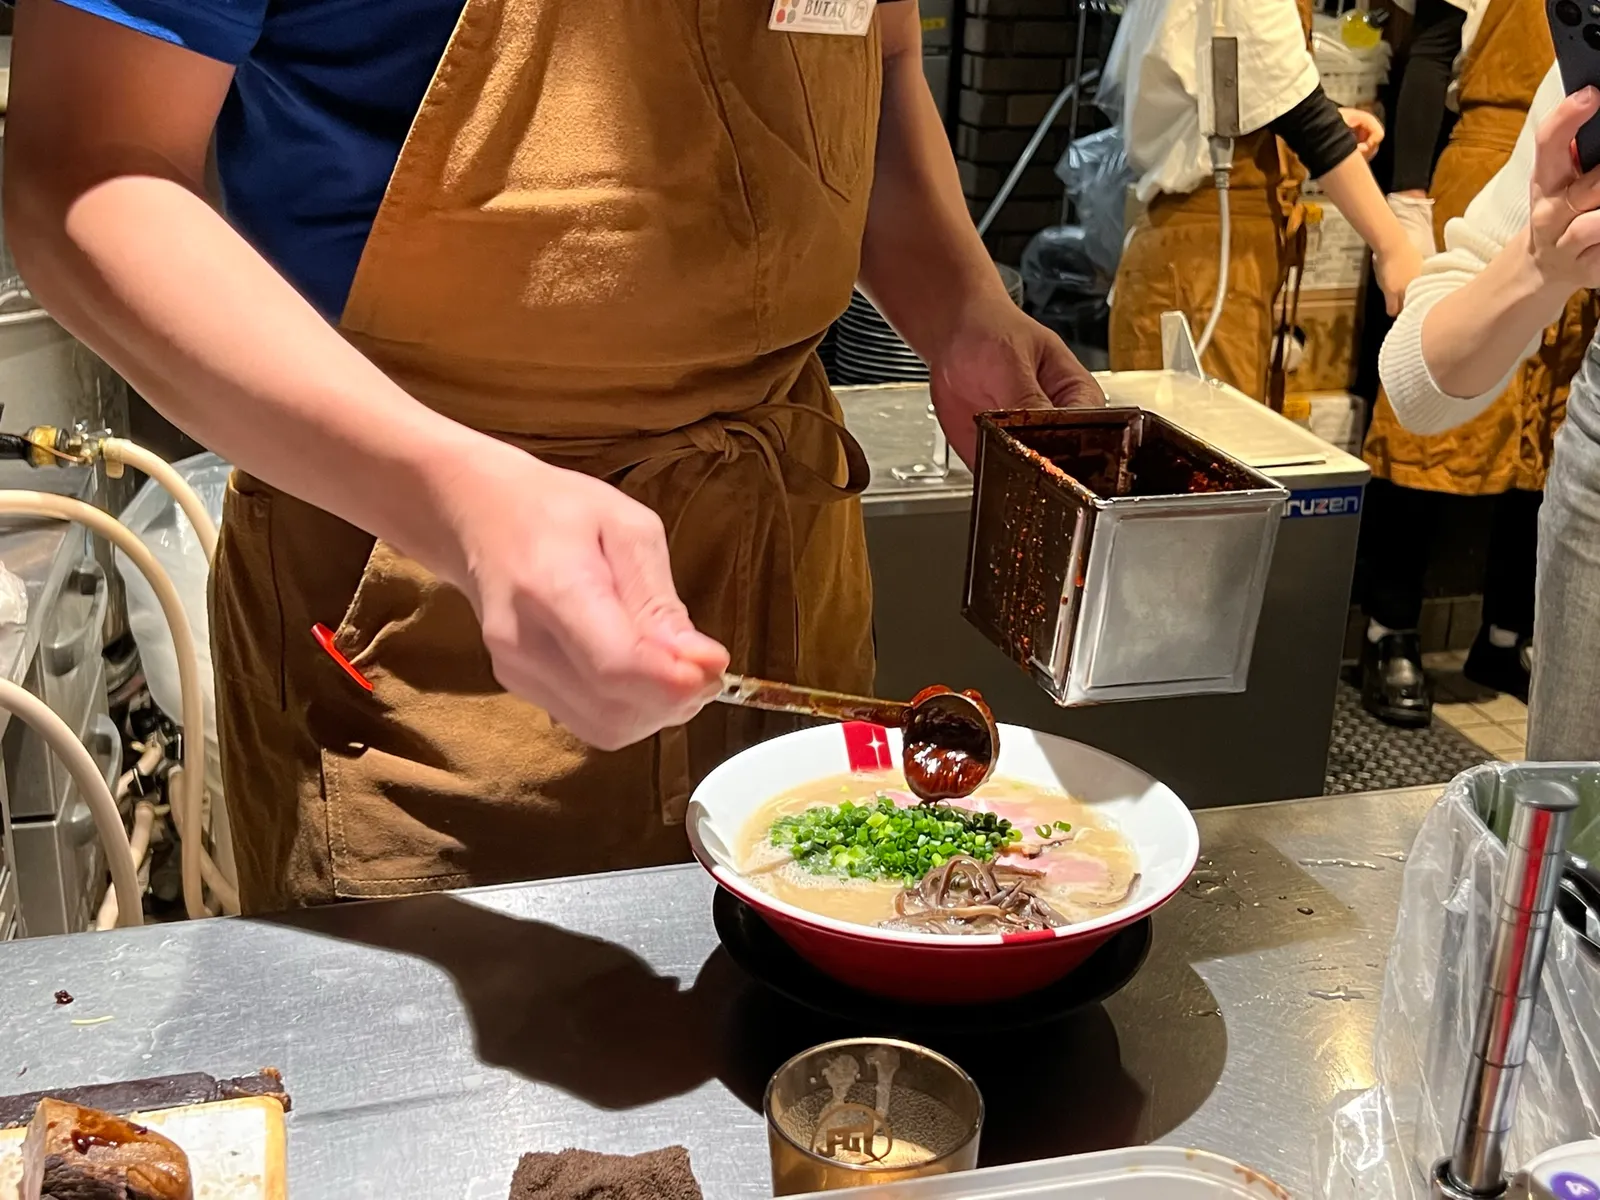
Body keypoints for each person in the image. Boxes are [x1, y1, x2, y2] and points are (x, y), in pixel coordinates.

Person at [7, 0, 1105, 913]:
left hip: (784, 562)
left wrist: (960, 302)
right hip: (423, 614)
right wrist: (453, 498)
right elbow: (84, 166)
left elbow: (878, 46)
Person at [1358, 0, 1599, 727]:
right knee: (1444, 452)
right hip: (1531, 170)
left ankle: (1503, 633)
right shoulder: (1579, 81)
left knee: (1532, 435)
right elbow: (1418, 387)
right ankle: (1391, 626)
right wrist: (1534, 265)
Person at [1104, 0, 1423, 407]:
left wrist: (1319, 116)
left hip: (1205, 253)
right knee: (1211, 457)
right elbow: (1306, 122)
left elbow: (1244, 83)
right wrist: (1393, 247)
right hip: (1202, 262)